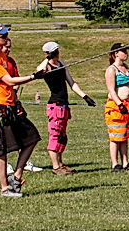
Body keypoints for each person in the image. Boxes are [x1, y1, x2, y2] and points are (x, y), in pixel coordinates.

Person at [0, 23, 44, 197]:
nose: (6, 38)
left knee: (31, 137)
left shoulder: (2, 57)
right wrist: (33, 77)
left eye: (6, 35)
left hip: (9, 104)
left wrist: (16, 103)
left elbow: (10, 85)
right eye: (3, 36)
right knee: (2, 149)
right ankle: (5, 188)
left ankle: (16, 177)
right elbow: (8, 80)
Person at [36, 41, 96, 175]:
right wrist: (48, 58)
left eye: (57, 51)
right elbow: (39, 70)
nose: (57, 54)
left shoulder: (62, 65)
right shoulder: (47, 67)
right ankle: (55, 167)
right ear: (48, 53)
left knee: (62, 137)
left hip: (64, 105)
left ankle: (61, 164)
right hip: (54, 105)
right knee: (55, 136)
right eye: (54, 52)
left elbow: (72, 83)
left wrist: (85, 97)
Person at [103, 43, 129, 171]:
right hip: (116, 106)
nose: (126, 53)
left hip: (128, 105)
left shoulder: (126, 67)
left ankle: (125, 162)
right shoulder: (111, 69)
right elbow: (111, 90)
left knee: (124, 135)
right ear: (116, 53)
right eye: (123, 51)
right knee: (115, 136)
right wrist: (119, 104)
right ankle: (115, 164)